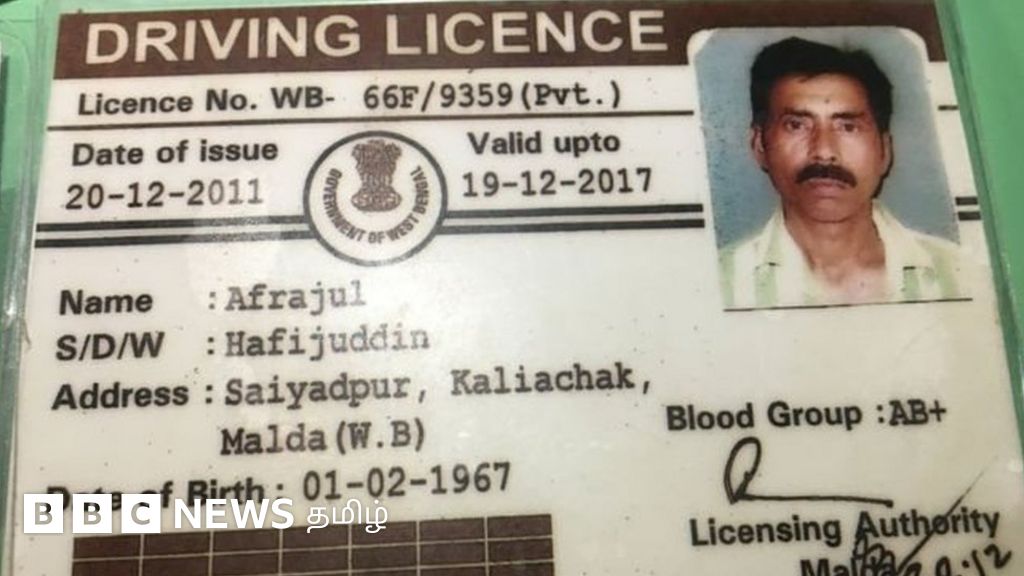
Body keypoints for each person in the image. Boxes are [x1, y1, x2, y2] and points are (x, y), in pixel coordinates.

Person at [719, 37, 962, 309]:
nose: (824, 152)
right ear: (759, 145)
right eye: (796, 125)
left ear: (884, 151)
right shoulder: (719, 284)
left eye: (848, 127)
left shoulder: (963, 275)